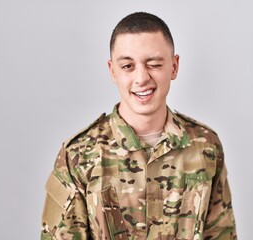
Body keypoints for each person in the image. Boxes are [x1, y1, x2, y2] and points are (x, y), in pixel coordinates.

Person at [41, 12, 237, 240]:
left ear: (174, 67)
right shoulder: (78, 156)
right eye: (127, 66)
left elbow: (222, 234)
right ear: (112, 70)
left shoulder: (205, 146)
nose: (142, 78)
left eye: (154, 64)